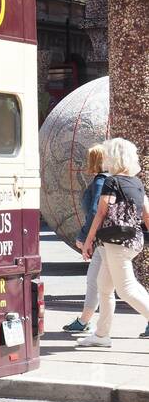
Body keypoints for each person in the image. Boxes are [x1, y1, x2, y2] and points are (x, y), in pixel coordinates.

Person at [78, 137, 149, 348]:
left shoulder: (111, 181)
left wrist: (88, 241)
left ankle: (101, 335)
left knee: (126, 289)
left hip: (115, 242)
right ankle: (101, 335)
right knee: (104, 287)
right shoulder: (136, 182)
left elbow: (100, 213)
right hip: (130, 240)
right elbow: (146, 212)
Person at [62, 143, 108, 336]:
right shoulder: (112, 179)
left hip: (104, 240)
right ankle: (84, 321)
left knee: (124, 286)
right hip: (105, 240)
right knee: (95, 282)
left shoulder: (100, 181)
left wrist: (83, 237)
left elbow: (95, 211)